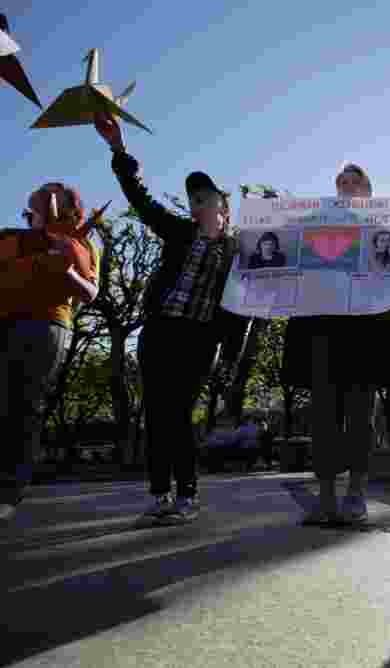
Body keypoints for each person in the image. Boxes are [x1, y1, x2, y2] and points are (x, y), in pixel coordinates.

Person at [95, 109, 241, 525]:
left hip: (198, 340)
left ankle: (187, 496)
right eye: (193, 199)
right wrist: (118, 147)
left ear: (224, 208)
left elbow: (240, 312)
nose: (197, 204)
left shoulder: (237, 254)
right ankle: (159, 496)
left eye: (205, 197)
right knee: (157, 414)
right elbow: (139, 198)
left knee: (178, 413)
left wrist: (230, 359)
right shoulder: (178, 231)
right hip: (159, 332)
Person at [285, 163, 390, 524]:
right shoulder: (314, 225)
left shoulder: (389, 225)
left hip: (367, 332)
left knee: (359, 416)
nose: (347, 187)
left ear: (368, 192)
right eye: (342, 182)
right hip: (322, 330)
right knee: (323, 418)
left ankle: (356, 495)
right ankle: (326, 499)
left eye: (355, 182)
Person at [1, 184, 100, 520]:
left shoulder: (81, 246)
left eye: (33, 212)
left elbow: (90, 292)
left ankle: (9, 490)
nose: (29, 218)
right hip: (6, 322)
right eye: (28, 213)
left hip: (44, 326)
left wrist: (69, 272)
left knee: (24, 405)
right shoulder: (12, 240)